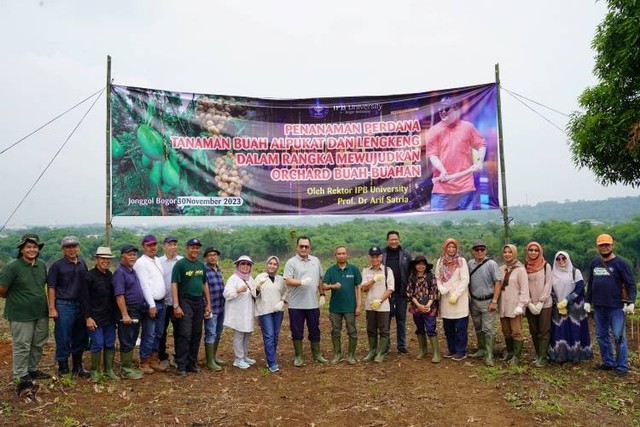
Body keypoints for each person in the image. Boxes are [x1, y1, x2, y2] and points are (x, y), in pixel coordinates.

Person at [0, 233, 50, 395]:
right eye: (28, 247)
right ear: (22, 249)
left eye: (35, 247)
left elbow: (43, 285)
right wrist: (19, 299)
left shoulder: (41, 265)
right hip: (20, 314)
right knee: (22, 345)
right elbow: (2, 289)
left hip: (40, 311)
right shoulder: (13, 266)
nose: (32, 249)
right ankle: (20, 375)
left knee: (38, 342)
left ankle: (32, 369)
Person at [585, 234, 636, 377]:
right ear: (598, 247)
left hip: (616, 307)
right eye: (601, 245)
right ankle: (608, 362)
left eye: (607, 244)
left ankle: (621, 366)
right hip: (599, 306)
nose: (604, 247)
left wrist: (631, 301)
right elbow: (591, 283)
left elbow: (630, 284)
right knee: (601, 336)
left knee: (619, 337)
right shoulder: (594, 262)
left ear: (612, 246)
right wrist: (588, 301)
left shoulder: (621, 263)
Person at [425, 96, 487, 211]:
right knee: (436, 223)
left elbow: (481, 145)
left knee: (466, 224)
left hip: (465, 188)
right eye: (441, 109)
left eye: (446, 108)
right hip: (442, 188)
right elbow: (432, 155)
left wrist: (480, 161)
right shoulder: (433, 131)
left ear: (456, 109)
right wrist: (442, 170)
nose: (443, 112)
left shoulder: (468, 127)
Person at [47, 236, 90, 377]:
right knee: (63, 337)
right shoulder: (57, 266)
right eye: (68, 247)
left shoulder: (82, 263)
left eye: (74, 246)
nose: (72, 249)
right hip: (64, 304)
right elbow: (51, 287)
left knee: (80, 337)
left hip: (80, 305)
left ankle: (77, 367)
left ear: (78, 247)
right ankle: (63, 368)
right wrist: (52, 308)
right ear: (63, 249)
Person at [171, 238, 212, 376]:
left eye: (197, 248)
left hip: (198, 301)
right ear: (187, 248)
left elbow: (204, 284)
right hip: (185, 301)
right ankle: (181, 365)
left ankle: (191, 363)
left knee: (196, 333)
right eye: (192, 247)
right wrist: (176, 305)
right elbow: (174, 284)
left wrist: (208, 303)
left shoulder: (201, 265)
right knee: (185, 333)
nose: (195, 250)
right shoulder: (180, 264)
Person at [283, 236, 327, 366]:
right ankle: (298, 356)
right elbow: (288, 280)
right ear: (297, 247)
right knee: (297, 331)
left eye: (306, 246)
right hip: (296, 305)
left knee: (315, 329)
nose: (303, 248)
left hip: (312, 303)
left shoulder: (315, 261)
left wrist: (322, 294)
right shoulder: (291, 262)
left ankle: (317, 354)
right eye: (301, 246)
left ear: (310, 248)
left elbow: (320, 278)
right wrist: (301, 282)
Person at [79, 246, 119, 382]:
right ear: (97, 259)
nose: (105, 261)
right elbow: (84, 299)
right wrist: (88, 317)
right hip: (95, 317)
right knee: (97, 343)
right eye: (103, 259)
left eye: (108, 259)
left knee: (109, 343)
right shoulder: (88, 277)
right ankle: (95, 370)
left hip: (109, 317)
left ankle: (109, 370)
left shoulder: (110, 275)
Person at [549, 251, 592, 364]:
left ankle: (575, 355)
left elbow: (579, 289)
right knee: (560, 331)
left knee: (574, 330)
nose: (561, 261)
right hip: (558, 307)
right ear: (555, 260)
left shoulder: (575, 272)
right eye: (558, 259)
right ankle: (560, 355)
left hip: (574, 307)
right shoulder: (552, 273)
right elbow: (550, 290)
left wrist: (567, 300)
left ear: (568, 259)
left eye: (564, 258)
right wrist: (557, 302)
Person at [133, 234, 168, 374]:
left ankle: (154, 359)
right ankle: (144, 361)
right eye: (149, 245)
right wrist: (151, 304)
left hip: (161, 302)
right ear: (144, 247)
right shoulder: (141, 263)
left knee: (159, 333)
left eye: (154, 244)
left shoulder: (157, 260)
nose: (152, 247)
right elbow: (144, 286)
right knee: (149, 333)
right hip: (150, 304)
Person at [322, 246, 362, 365]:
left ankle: (351, 355)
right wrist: (333, 286)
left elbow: (358, 287)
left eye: (343, 253)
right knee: (335, 331)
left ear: (347, 255)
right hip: (335, 307)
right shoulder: (331, 270)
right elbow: (324, 286)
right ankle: (337, 354)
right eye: (339, 254)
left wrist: (359, 305)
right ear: (335, 256)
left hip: (350, 307)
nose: (341, 255)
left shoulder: (353, 269)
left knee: (352, 330)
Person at [467, 239, 502, 367]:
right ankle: (481, 349)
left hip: (488, 301)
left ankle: (489, 355)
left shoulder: (491, 264)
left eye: (482, 249)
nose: (480, 252)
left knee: (488, 329)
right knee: (478, 327)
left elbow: (498, 282)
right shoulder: (470, 263)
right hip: (474, 301)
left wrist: (494, 301)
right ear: (473, 252)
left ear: (485, 251)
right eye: (477, 250)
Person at [113, 244, 145, 380]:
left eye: (134, 254)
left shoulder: (131, 270)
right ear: (122, 257)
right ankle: (125, 369)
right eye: (129, 254)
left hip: (136, 310)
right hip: (128, 311)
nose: (133, 257)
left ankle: (129, 366)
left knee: (132, 338)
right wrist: (125, 314)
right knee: (126, 339)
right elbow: (119, 295)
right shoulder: (120, 273)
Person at [435, 238, 470, 361]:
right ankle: (452, 348)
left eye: (453, 247)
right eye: (449, 247)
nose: (451, 249)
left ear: (456, 248)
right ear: (445, 248)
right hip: (445, 299)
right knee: (448, 327)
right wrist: (440, 288)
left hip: (460, 300)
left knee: (460, 327)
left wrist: (456, 294)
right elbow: (437, 278)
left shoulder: (461, 261)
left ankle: (461, 350)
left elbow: (465, 280)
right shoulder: (440, 262)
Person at [361, 246, 395, 363]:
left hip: (383, 306)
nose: (375, 259)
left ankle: (380, 353)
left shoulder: (387, 270)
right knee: (371, 329)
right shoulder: (366, 271)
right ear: (369, 258)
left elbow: (390, 289)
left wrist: (379, 300)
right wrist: (373, 280)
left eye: (377, 256)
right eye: (372, 256)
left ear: (381, 257)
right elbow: (364, 288)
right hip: (369, 305)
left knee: (384, 330)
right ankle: (372, 351)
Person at [223, 255, 258, 369]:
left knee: (247, 334)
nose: (245, 266)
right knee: (239, 335)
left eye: (248, 264)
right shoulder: (233, 278)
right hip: (238, 312)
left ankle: (244, 356)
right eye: (243, 264)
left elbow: (254, 294)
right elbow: (226, 294)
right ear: (238, 265)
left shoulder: (250, 278)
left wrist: (258, 290)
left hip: (248, 311)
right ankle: (238, 359)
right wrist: (238, 290)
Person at [406, 254, 441, 363]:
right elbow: (410, 294)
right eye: (418, 264)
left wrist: (428, 305)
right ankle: (423, 350)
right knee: (420, 328)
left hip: (430, 307)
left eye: (422, 264)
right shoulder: (412, 278)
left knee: (430, 328)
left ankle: (436, 353)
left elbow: (434, 292)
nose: (420, 266)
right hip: (417, 307)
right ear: (415, 266)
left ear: (426, 266)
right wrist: (419, 305)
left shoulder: (431, 277)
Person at [254, 256, 287, 372]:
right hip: (265, 310)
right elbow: (254, 294)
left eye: (275, 264)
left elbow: (286, 292)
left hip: (277, 310)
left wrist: (282, 301)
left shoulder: (280, 279)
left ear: (278, 266)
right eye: (270, 263)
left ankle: (270, 357)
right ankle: (272, 362)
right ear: (267, 264)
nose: (272, 266)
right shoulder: (260, 277)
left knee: (275, 335)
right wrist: (258, 287)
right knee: (269, 335)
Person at [381, 231, 412, 355]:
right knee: (386, 320)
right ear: (387, 240)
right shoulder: (382, 254)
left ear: (399, 240)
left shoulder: (405, 254)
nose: (393, 241)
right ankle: (385, 345)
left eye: (395, 239)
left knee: (401, 320)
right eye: (391, 239)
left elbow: (410, 273)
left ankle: (401, 345)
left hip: (401, 292)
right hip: (386, 293)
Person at [498, 244, 529, 365]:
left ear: (514, 253)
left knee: (516, 331)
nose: (507, 254)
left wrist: (521, 305)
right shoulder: (501, 269)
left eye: (509, 252)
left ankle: (517, 356)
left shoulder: (520, 269)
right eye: (505, 252)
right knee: (506, 330)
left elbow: (524, 289)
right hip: (503, 305)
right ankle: (510, 352)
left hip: (515, 305)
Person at [524, 241, 553, 367]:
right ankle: (537, 354)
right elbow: (524, 286)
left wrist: (541, 301)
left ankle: (543, 356)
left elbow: (548, 283)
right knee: (534, 330)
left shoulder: (546, 266)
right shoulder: (525, 266)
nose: (533, 252)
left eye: (536, 250)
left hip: (545, 304)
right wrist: (529, 302)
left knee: (544, 330)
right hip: (530, 304)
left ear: (540, 251)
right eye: (531, 250)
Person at [158, 235, 183, 369]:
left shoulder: (182, 261)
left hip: (178, 303)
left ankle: (178, 356)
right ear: (164, 246)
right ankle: (162, 356)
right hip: (163, 302)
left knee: (179, 331)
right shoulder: (158, 261)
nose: (173, 247)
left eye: (175, 244)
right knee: (161, 331)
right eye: (170, 244)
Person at [203, 246, 225, 372]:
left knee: (218, 332)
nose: (213, 257)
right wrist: (206, 305)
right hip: (211, 308)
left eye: (215, 255)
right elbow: (203, 289)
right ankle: (209, 361)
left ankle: (213, 356)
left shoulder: (218, 269)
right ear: (205, 258)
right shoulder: (204, 270)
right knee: (210, 333)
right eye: (210, 255)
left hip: (221, 306)